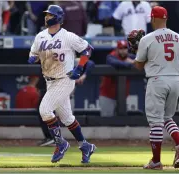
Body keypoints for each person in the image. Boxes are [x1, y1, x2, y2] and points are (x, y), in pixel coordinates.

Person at [28, 5, 96, 163]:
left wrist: (79, 68)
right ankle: (85, 145)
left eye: (50, 14)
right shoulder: (40, 36)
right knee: (67, 118)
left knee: (45, 110)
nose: (46, 17)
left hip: (65, 79)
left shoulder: (68, 36)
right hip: (49, 80)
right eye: (46, 15)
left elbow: (87, 49)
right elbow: (33, 54)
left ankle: (60, 143)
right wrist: (33, 58)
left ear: (58, 17)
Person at [128, 6, 179, 169]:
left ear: (153, 19)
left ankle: (156, 161)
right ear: (166, 18)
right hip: (176, 80)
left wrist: (136, 52)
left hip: (157, 80)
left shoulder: (147, 39)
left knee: (156, 122)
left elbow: (139, 65)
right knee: (168, 118)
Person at [99, 40, 135, 117]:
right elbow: (114, 62)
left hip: (122, 97)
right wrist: (129, 63)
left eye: (125, 48)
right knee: (107, 121)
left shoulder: (130, 57)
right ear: (117, 49)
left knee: (122, 122)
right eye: (121, 48)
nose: (123, 50)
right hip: (107, 96)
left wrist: (133, 61)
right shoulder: (111, 56)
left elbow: (142, 60)